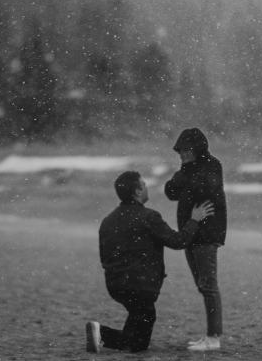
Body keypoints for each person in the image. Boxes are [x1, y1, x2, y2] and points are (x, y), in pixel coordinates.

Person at [86, 171, 214, 353]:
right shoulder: (149, 217)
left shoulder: (108, 220)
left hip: (115, 285)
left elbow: (104, 256)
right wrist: (194, 219)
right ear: (137, 191)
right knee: (139, 340)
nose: (147, 188)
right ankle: (100, 333)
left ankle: (100, 335)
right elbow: (178, 241)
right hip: (140, 286)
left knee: (138, 316)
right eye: (144, 185)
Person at [164, 127, 227, 352]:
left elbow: (205, 188)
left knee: (208, 286)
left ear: (195, 149)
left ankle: (214, 338)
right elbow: (170, 192)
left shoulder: (212, 165)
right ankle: (211, 336)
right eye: (179, 151)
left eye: (184, 150)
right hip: (190, 235)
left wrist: (185, 176)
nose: (181, 155)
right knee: (203, 286)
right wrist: (184, 174)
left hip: (207, 235)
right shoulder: (187, 169)